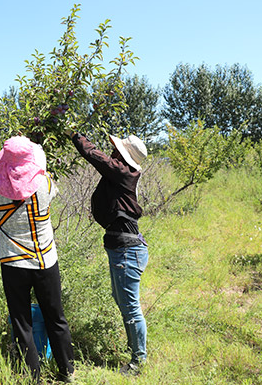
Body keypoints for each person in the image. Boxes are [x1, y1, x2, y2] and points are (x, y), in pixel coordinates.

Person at [0, 136, 75, 383]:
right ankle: (67, 370)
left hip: (13, 263)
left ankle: (31, 376)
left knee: (21, 322)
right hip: (45, 259)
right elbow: (43, 178)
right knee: (55, 316)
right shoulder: (45, 185)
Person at [65, 130, 149, 375]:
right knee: (121, 300)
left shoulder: (125, 173)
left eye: (117, 149)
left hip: (127, 251)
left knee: (130, 306)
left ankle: (138, 360)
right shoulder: (120, 174)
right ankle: (134, 346)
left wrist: (76, 136)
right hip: (122, 249)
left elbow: (95, 156)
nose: (112, 151)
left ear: (122, 155)